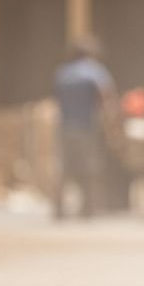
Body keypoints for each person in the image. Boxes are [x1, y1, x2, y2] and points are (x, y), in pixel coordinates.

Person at [52, 35, 117, 219]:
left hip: (65, 127)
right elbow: (106, 97)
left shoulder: (62, 73)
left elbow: (57, 100)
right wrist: (112, 125)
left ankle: (59, 209)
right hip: (87, 127)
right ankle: (87, 209)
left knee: (65, 168)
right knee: (89, 168)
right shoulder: (94, 71)